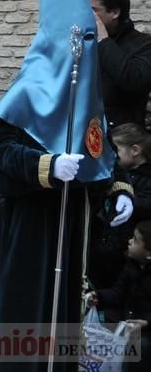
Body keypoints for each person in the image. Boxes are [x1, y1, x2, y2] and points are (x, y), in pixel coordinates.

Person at [0, 0, 134, 372]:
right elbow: (0, 155)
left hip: (75, 227)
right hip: (31, 229)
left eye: (89, 39)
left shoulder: (89, 103)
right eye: (73, 42)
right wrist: (45, 165)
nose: (81, 52)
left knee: (63, 317)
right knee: (24, 315)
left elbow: (102, 159)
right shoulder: (24, 96)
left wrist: (117, 191)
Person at [89, 123, 151, 289]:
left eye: (116, 150)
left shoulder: (146, 180)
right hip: (100, 246)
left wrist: (122, 196)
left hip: (122, 254)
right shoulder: (111, 174)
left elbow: (146, 204)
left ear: (135, 150)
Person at [85, 220, 151, 372]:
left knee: (141, 347)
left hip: (145, 326)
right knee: (101, 321)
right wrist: (98, 296)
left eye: (135, 240)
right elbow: (118, 292)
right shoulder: (131, 265)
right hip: (126, 319)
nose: (129, 241)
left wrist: (146, 323)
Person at [89, 0, 151, 129]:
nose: (87, 15)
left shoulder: (144, 44)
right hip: (86, 131)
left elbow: (133, 81)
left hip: (122, 136)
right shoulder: (86, 41)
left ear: (115, 13)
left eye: (93, 10)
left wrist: (103, 40)